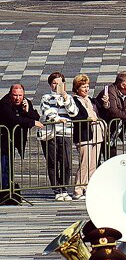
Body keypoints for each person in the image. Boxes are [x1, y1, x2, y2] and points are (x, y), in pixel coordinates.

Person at [0, 83, 44, 203]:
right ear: (10, 94)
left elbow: (36, 116)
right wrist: (31, 122)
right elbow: (12, 120)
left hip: (13, 139)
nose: (17, 98)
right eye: (15, 95)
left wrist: (27, 110)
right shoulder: (4, 103)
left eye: (20, 95)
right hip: (3, 140)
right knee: (4, 167)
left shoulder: (25, 102)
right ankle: (5, 193)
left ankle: (9, 191)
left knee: (8, 167)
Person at [38, 72, 78, 202]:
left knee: (66, 163)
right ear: (50, 84)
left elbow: (73, 112)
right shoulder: (46, 97)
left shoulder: (69, 98)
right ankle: (57, 189)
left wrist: (65, 97)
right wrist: (57, 119)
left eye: (59, 83)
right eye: (54, 83)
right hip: (51, 134)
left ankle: (64, 188)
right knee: (53, 162)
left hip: (65, 133)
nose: (57, 85)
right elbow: (47, 111)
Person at [68, 75, 104, 201]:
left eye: (87, 86)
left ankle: (89, 188)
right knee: (85, 163)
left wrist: (105, 103)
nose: (86, 89)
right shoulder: (75, 100)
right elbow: (76, 115)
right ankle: (78, 189)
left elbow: (101, 111)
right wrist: (87, 119)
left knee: (93, 163)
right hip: (84, 134)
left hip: (96, 133)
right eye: (83, 87)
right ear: (77, 88)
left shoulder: (91, 99)